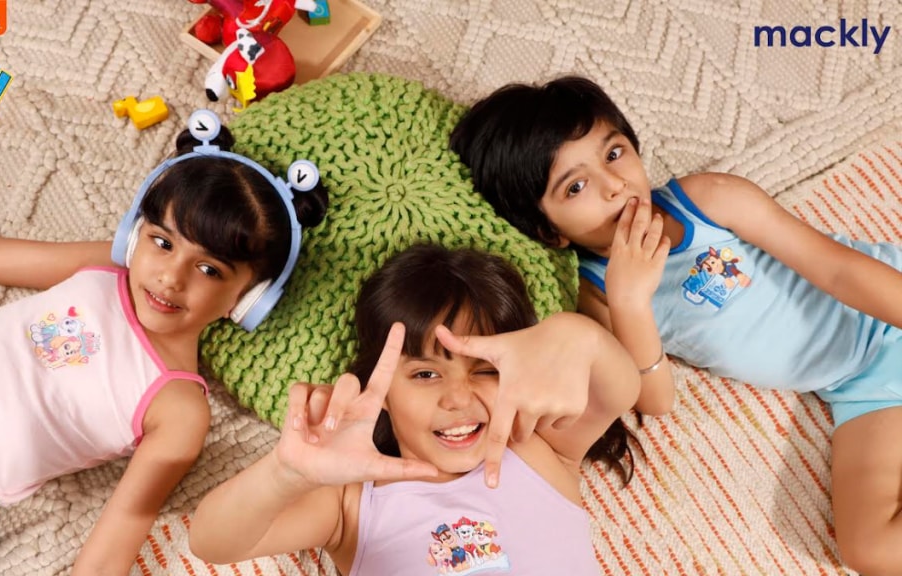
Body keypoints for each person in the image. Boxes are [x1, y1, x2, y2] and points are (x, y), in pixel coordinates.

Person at [448, 75, 902, 575]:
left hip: (887, 306)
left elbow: (838, 270)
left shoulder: (709, 201)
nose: (614, 184)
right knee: (869, 550)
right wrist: (630, 302)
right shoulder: (597, 297)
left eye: (614, 154)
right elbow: (657, 400)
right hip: (858, 384)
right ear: (548, 232)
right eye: (576, 187)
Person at [0, 111, 328, 576]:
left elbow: (113, 543)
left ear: (250, 299)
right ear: (134, 235)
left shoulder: (179, 408)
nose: (170, 277)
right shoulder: (106, 268)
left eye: (209, 269)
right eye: (162, 243)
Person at [189, 243, 642, 575]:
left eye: (486, 369)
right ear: (383, 391)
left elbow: (619, 386)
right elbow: (213, 541)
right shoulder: (353, 504)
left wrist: (572, 332)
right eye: (425, 374)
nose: (458, 397)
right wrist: (286, 473)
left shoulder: (539, 447)